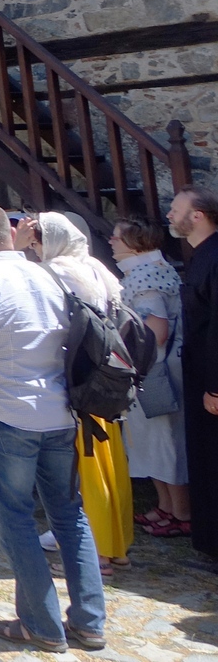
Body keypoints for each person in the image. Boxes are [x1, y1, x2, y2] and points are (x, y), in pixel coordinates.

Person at [0, 201, 106, 652]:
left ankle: (41, 624)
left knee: (15, 519)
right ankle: (90, 621)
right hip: (58, 411)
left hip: (8, 414)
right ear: (10, 233)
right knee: (69, 515)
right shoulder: (47, 274)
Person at [33, 212, 135, 573]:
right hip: (107, 374)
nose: (33, 247)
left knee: (86, 468)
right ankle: (116, 546)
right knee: (110, 462)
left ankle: (97, 556)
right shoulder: (94, 266)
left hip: (79, 375)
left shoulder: (57, 270)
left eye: (37, 239)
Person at [112, 218, 189, 537]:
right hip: (150, 368)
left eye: (116, 237)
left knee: (165, 441)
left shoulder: (146, 276)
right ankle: (166, 506)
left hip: (156, 370)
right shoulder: (144, 271)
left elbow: (156, 331)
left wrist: (120, 346)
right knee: (152, 441)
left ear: (134, 243)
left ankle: (182, 512)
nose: (111, 242)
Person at [168, 185, 218, 560]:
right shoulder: (200, 256)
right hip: (200, 376)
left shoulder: (215, 257)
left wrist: (216, 386)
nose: (170, 214)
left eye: (176, 208)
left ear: (198, 215)